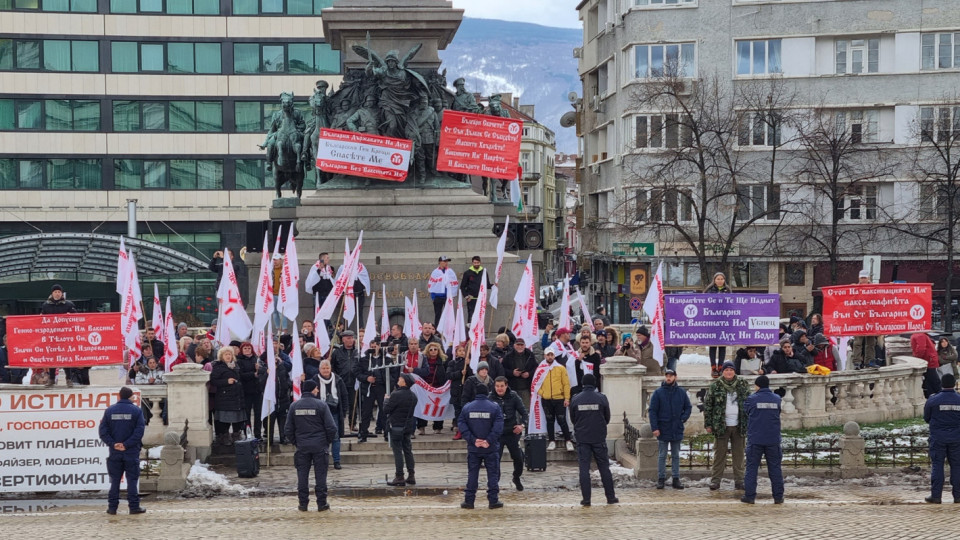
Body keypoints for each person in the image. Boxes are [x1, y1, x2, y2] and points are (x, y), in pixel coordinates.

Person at [285, 380, 338, 512]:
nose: (318, 391)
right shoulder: (321, 405)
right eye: (316, 388)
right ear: (313, 390)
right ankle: (321, 503)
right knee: (321, 475)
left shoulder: (294, 406)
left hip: (302, 446)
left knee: (302, 476)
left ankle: (303, 504)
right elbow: (331, 427)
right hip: (320, 446)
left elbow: (288, 429)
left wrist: (296, 442)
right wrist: (326, 442)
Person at [570, 373, 617, 506]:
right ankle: (610, 497)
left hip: (582, 438)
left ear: (583, 384)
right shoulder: (601, 398)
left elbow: (573, 418)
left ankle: (586, 499)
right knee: (604, 467)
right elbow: (607, 417)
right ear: (595, 383)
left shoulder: (575, 399)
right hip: (598, 437)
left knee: (584, 468)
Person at [98, 387, 146, 515]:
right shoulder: (137, 411)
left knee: (115, 481)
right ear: (130, 396)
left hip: (115, 452)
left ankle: (112, 508)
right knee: (132, 480)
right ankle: (134, 507)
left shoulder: (109, 411)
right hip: (131, 451)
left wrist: (114, 444)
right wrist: (126, 444)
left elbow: (103, 432)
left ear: (120, 396)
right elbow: (139, 431)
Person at [703, 361, 750, 491]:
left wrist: (748, 421)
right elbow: (708, 406)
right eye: (726, 370)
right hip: (721, 425)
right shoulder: (716, 385)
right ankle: (715, 480)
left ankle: (739, 480)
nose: (729, 372)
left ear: (734, 371)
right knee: (719, 455)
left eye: (731, 370)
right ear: (722, 372)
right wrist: (708, 424)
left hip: (739, 425)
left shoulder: (742, 384)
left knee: (739, 455)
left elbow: (748, 402)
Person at [458, 383, 504, 510]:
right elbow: (499, 426)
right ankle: (493, 500)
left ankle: (469, 501)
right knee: (493, 474)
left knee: (472, 474)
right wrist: (488, 440)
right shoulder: (494, 407)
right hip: (490, 447)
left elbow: (461, 424)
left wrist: (473, 440)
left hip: (474, 447)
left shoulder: (467, 407)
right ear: (487, 392)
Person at [741, 375, 784, 505]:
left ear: (757, 386)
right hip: (773, 439)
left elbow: (746, 411)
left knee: (752, 469)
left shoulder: (751, 399)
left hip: (756, 439)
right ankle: (778, 497)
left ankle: (750, 496)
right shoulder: (777, 399)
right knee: (775, 468)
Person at [648, 368, 692, 490]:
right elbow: (652, 411)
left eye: (671, 376)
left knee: (676, 454)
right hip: (663, 427)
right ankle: (661, 478)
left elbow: (688, 407)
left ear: (675, 377)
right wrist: (655, 427)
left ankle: (676, 478)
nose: (668, 378)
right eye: (667, 375)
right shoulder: (658, 393)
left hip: (676, 427)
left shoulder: (681, 392)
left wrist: (682, 418)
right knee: (662, 454)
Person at [923, 373, 960, 504]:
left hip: (938, 438)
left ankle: (936, 496)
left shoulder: (933, 400)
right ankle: (958, 496)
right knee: (957, 466)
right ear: (954, 384)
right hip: (957, 438)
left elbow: (926, 417)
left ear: (942, 384)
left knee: (937, 465)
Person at [356, 340, 398, 443]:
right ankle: (363, 433)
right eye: (372, 346)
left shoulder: (386, 360)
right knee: (366, 411)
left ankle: (387, 433)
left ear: (379, 347)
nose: (374, 348)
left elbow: (393, 374)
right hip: (369, 388)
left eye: (376, 346)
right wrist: (366, 378)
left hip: (382, 387)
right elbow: (357, 373)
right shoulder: (363, 360)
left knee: (384, 411)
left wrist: (389, 387)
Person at [42, 284, 84, 385]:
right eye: (55, 292)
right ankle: (52, 378)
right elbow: (41, 318)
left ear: (62, 293)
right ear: (52, 293)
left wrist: (71, 316)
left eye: (59, 292)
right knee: (52, 357)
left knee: (65, 357)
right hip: (52, 335)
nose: (57, 294)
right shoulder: (46, 305)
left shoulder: (68, 305)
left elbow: (77, 317)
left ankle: (68, 379)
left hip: (65, 336)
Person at [492, 376, 527, 491]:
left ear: (506, 385)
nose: (499, 389)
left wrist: (521, 425)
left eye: (502, 386)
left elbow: (524, 413)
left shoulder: (513, 396)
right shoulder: (490, 397)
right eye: (497, 386)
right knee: (495, 459)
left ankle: (516, 477)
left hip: (512, 432)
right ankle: (495, 482)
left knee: (519, 458)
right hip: (498, 434)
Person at [384, 373, 419, 486]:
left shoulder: (396, 394)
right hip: (407, 426)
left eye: (400, 378)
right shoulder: (413, 396)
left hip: (396, 427)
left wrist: (386, 400)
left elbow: (386, 410)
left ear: (404, 382)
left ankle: (399, 476)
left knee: (398, 451)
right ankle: (411, 475)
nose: (398, 379)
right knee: (408, 450)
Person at [313, 359, 347, 469]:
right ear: (319, 369)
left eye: (327, 368)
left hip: (335, 412)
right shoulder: (314, 380)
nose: (326, 370)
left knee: (335, 437)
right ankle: (322, 460)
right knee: (321, 438)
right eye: (323, 368)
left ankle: (337, 461)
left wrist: (345, 411)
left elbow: (344, 396)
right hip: (319, 414)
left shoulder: (338, 379)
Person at [537, 347, 573, 451]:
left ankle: (568, 440)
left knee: (562, 420)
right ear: (544, 356)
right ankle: (552, 440)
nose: (550, 357)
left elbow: (566, 384)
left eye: (551, 355)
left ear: (554, 356)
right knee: (549, 420)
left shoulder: (561, 368)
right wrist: (542, 393)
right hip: (546, 399)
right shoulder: (541, 369)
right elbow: (536, 383)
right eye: (548, 355)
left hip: (559, 399)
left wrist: (567, 398)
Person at [211, 347, 246, 446]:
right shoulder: (218, 367)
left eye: (229, 354)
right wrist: (226, 381)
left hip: (237, 397)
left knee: (237, 420)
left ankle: (236, 436)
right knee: (224, 420)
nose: (228, 356)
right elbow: (213, 381)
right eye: (226, 354)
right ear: (221, 356)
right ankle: (224, 437)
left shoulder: (236, 366)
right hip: (224, 398)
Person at [416, 342, 448, 434]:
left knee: (438, 407)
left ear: (438, 351)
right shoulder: (423, 361)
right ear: (427, 351)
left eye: (435, 349)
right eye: (431, 350)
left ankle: (438, 427)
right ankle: (421, 426)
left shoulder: (443, 361)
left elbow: (446, 375)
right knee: (423, 406)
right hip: (425, 388)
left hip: (438, 388)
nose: (433, 351)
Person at [331, 330, 360, 429]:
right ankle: (340, 424)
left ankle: (352, 424)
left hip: (354, 382)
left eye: (352, 338)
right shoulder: (337, 352)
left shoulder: (358, 351)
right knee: (341, 405)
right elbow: (333, 367)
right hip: (341, 382)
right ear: (343, 339)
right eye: (348, 338)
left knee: (353, 405)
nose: (350, 340)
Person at [851, 270, 880, 368]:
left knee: (871, 342)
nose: (863, 280)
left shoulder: (874, 288)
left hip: (870, 318)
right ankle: (857, 362)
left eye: (865, 278)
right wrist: (851, 289)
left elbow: (882, 296)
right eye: (861, 278)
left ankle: (870, 361)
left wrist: (890, 286)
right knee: (857, 342)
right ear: (859, 278)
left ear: (868, 279)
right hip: (858, 318)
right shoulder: (854, 288)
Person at [704, 272, 731, 378]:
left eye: (722, 279)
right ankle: (713, 367)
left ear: (724, 280)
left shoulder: (728, 291)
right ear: (714, 280)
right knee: (713, 345)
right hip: (712, 320)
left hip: (724, 320)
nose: (720, 281)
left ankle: (720, 367)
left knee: (722, 345)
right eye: (718, 279)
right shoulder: (709, 291)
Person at [236, 342, 262, 437]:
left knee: (258, 413)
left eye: (249, 348)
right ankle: (248, 433)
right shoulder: (239, 360)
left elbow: (262, 373)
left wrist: (259, 370)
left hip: (257, 390)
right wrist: (252, 374)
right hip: (246, 391)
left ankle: (258, 434)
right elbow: (240, 375)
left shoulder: (256, 359)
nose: (247, 350)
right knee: (246, 414)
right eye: (245, 348)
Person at [446, 344, 472, 440]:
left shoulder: (468, 363)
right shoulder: (452, 363)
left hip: (466, 391)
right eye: (459, 351)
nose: (462, 352)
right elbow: (449, 375)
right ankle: (459, 431)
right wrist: (460, 373)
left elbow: (472, 375)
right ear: (456, 353)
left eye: (463, 351)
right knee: (458, 412)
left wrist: (468, 366)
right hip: (456, 391)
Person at [502, 338, 536, 407]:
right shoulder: (508, 356)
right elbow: (502, 370)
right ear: (514, 345)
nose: (520, 347)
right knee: (513, 409)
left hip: (526, 388)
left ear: (525, 346)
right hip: (513, 388)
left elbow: (536, 368)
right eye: (518, 345)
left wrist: (529, 374)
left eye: (522, 345)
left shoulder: (530, 355)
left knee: (526, 409)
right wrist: (512, 373)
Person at [135, 356, 167, 425]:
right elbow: (137, 381)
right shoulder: (142, 371)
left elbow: (165, 380)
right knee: (141, 401)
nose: (152, 364)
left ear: (156, 363)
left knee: (167, 401)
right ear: (147, 364)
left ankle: (165, 419)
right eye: (150, 363)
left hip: (159, 394)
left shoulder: (161, 370)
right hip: (146, 395)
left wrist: (155, 381)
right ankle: (144, 421)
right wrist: (148, 381)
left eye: (153, 362)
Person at [428, 256, 460, 326]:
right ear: (440, 262)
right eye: (444, 261)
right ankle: (436, 330)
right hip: (438, 297)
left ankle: (449, 331)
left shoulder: (450, 271)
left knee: (449, 316)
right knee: (438, 315)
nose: (446, 263)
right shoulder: (435, 272)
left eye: (447, 261)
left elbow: (454, 283)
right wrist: (433, 297)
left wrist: (453, 295)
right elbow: (432, 284)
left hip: (448, 297)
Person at [912, 333, 942, 398]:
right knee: (931, 382)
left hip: (927, 361)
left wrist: (916, 358)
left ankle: (939, 396)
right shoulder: (922, 334)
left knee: (933, 381)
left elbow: (921, 349)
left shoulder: (919, 335)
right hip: (930, 360)